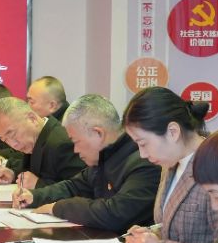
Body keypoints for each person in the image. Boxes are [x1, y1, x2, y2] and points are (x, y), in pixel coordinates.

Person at [11, 94, 158, 233]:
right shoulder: (104, 157)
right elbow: (73, 186)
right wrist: (35, 197)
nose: (75, 149)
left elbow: (115, 214)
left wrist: (58, 207)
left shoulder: (143, 162)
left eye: (76, 141)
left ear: (98, 133)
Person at [119, 87, 218, 243]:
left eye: (143, 143)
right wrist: (147, 236)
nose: (142, 154)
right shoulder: (169, 162)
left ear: (172, 132)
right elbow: (172, 227)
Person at [0, 96, 84, 189]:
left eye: (12, 134)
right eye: (5, 140)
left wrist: (38, 184)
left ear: (32, 119)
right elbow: (33, 171)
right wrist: (13, 174)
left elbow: (80, 189)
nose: (13, 144)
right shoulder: (35, 139)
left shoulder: (62, 143)